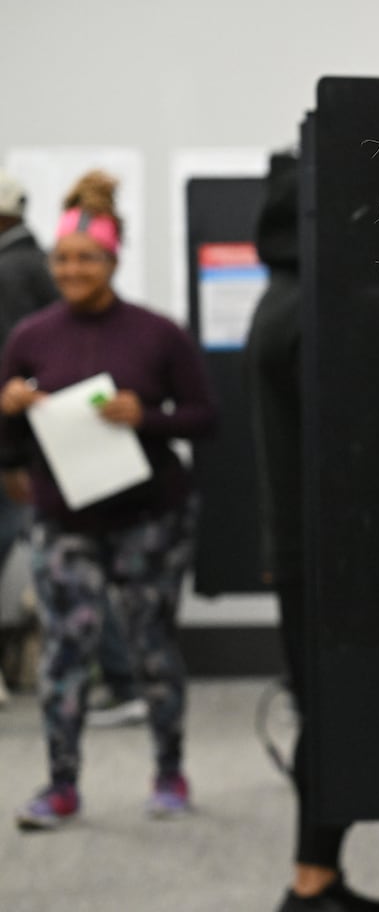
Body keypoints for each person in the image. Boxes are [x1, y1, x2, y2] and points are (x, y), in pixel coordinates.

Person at [0, 170, 217, 830]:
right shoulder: (30, 337)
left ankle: (169, 772)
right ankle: (61, 786)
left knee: (152, 646)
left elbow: (206, 417)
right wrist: (8, 409)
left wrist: (144, 416)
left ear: (112, 260)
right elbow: (12, 434)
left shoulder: (158, 334)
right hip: (65, 517)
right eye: (62, 259)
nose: (71, 270)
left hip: (151, 516)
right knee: (67, 649)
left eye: (85, 258)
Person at [245, 152, 379, 912]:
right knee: (332, 712)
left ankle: (319, 878)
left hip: (304, 546)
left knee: (328, 709)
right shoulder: (310, 313)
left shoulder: (279, 300)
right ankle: (310, 885)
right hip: (326, 548)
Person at [0, 169, 58, 707]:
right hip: (53, 444)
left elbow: (12, 372)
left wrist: (10, 456)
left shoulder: (9, 271)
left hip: (23, 449)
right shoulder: (36, 265)